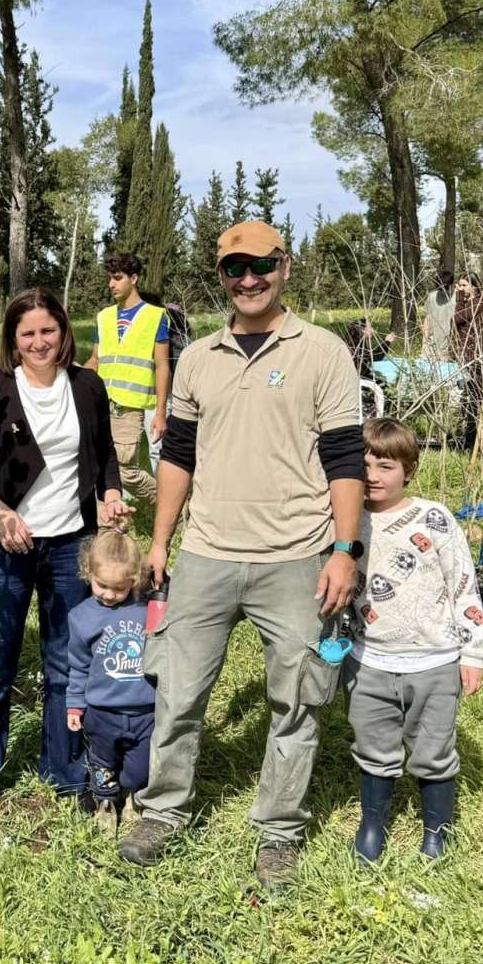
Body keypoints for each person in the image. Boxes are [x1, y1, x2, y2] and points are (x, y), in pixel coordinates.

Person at [119, 221, 365, 887]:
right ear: (221, 275)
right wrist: (162, 539)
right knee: (178, 690)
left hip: (298, 554)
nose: (249, 279)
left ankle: (279, 830)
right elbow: (177, 455)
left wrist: (344, 550)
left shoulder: (322, 351)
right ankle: (163, 810)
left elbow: (345, 457)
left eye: (261, 265)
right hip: (206, 552)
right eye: (235, 268)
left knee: (296, 698)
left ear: (285, 267)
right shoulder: (198, 356)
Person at [0, 287, 129, 811]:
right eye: (27, 333)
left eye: (47, 331)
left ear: (63, 333)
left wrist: (112, 494)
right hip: (4, 544)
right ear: (12, 338)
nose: (38, 342)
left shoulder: (87, 386)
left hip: (70, 543)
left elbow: (105, 454)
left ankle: (65, 771)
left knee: (66, 662)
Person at [347, 418, 483, 863]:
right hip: (369, 658)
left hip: (434, 660)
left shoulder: (433, 519)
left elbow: (463, 584)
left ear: (408, 469)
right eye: (364, 464)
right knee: (373, 745)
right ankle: (373, 825)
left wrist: (473, 652)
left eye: (385, 465)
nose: (372, 474)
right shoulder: (346, 523)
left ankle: (436, 831)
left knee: (432, 749)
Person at [66, 528, 156, 838]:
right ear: (87, 573)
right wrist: (74, 705)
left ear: (134, 580)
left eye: (119, 588)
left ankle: (132, 796)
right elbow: (78, 666)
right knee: (102, 763)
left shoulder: (147, 609)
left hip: (146, 710)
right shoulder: (81, 618)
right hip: (102, 711)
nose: (108, 594)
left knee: (141, 767)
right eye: (101, 585)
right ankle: (105, 803)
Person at [85, 253, 171, 514]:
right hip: (100, 405)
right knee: (97, 466)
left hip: (129, 408)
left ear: (134, 279)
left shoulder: (156, 317)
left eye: (118, 278)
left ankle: (171, 507)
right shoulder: (103, 317)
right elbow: (96, 359)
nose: (111, 284)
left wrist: (160, 413)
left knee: (126, 473)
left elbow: (162, 365)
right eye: (110, 278)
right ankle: (108, 522)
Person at [454, 273, 483, 450]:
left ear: (474, 287)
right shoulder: (469, 302)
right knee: (463, 398)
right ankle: (467, 436)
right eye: (459, 286)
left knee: (474, 399)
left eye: (463, 286)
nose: (459, 289)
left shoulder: (480, 302)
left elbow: (457, 318)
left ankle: (474, 439)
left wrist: (459, 299)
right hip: (464, 354)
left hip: (475, 356)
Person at [422, 268, 456, 361]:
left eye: (445, 288)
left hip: (449, 346)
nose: (442, 291)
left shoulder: (457, 298)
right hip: (432, 345)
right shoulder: (432, 297)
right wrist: (425, 343)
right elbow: (427, 320)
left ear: (451, 285)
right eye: (440, 288)